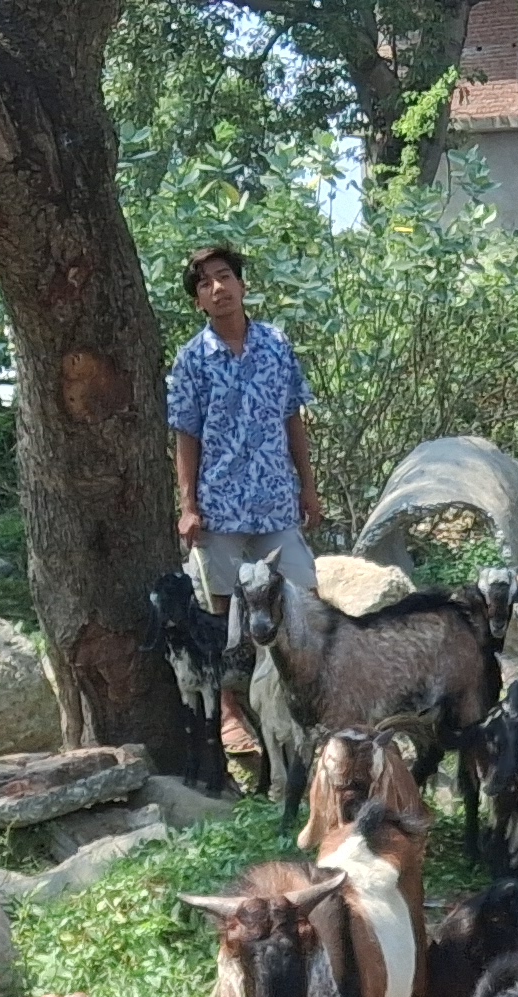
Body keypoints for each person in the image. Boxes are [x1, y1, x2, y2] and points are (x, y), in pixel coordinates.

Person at [165, 243, 322, 762]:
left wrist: (308, 485)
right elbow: (186, 435)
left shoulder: (277, 345)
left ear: (242, 284)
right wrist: (188, 505)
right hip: (220, 505)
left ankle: (309, 701)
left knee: (301, 598)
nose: (217, 288)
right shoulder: (193, 360)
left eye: (225, 276)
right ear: (198, 302)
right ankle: (233, 713)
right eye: (206, 283)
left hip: (276, 500)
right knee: (225, 611)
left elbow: (291, 418)